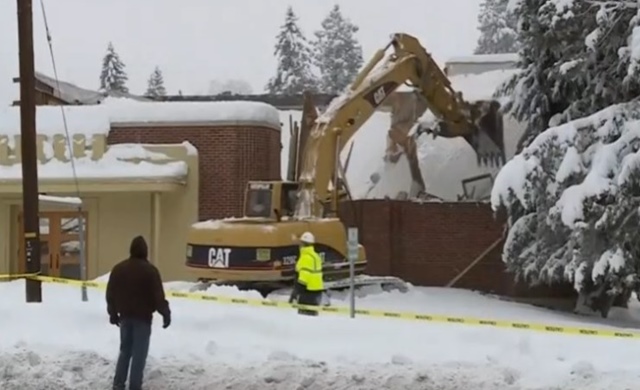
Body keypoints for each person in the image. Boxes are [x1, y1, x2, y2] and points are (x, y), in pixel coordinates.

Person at [106, 236, 171, 390]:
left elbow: (110, 294)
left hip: (125, 317)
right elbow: (158, 296)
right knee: (139, 355)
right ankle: (135, 386)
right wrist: (165, 313)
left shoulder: (118, 269)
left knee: (125, 351)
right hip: (143, 319)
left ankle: (118, 384)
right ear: (145, 252)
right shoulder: (150, 271)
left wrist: (113, 313)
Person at [292, 231, 324, 316]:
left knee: (305, 316)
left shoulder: (305, 258)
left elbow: (304, 278)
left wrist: (296, 292)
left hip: (307, 291)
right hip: (317, 290)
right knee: (313, 315)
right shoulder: (316, 256)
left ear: (303, 244)